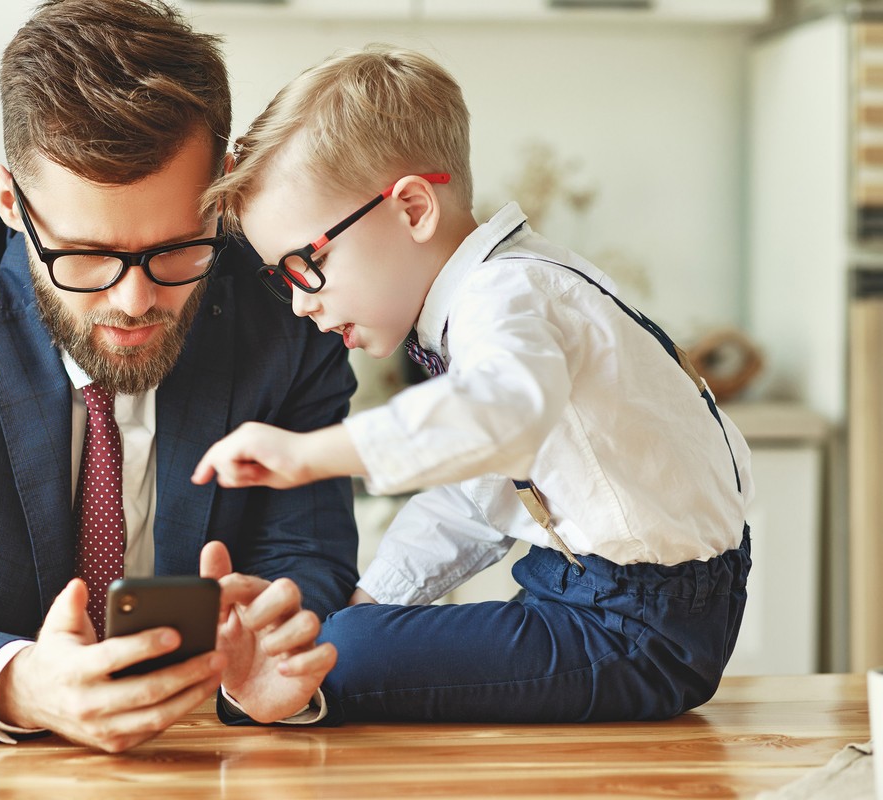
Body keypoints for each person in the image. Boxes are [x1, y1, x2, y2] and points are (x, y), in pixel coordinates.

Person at [0, 0, 359, 753]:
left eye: (178, 247)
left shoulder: (290, 313)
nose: (135, 299)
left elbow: (309, 568)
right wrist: (19, 684)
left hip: (205, 761)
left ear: (225, 192)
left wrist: (266, 654)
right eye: (86, 255)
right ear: (11, 201)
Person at [193, 45, 754, 724]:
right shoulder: (499, 294)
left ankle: (283, 691)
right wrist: (368, 603)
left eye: (305, 266)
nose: (299, 304)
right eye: (278, 279)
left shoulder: (507, 294)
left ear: (413, 209)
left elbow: (501, 415)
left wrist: (310, 454)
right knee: (349, 633)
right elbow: (471, 499)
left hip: (639, 623)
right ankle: (302, 673)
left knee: (343, 652)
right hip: (600, 596)